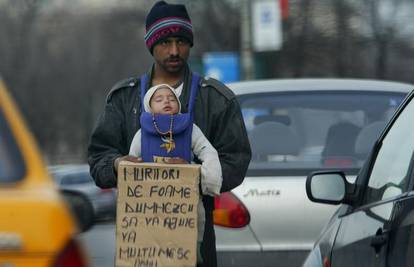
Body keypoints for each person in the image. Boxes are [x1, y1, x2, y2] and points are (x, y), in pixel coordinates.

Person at [87, 1, 251, 266]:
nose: (175, 51)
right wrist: (119, 166)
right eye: (165, 42)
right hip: (139, 245)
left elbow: (236, 160)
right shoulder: (123, 98)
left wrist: (191, 175)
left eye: (182, 41)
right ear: (151, 44)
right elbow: (98, 159)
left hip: (195, 243)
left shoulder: (216, 99)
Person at [129, 83, 222, 264]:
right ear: (149, 106)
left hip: (188, 204)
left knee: (190, 248)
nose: (167, 101)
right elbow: (131, 164)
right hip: (151, 208)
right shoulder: (141, 135)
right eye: (159, 99)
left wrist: (203, 177)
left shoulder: (191, 130)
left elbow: (209, 153)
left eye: (172, 98)